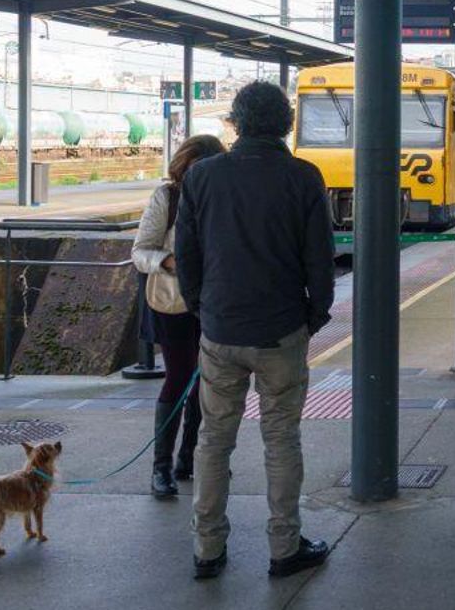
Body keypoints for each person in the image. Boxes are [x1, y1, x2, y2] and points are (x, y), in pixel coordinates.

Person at [174, 81, 335, 580]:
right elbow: (320, 260)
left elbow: (187, 255)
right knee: (281, 439)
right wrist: (314, 314)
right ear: (286, 122)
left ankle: (207, 549)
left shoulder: (201, 176)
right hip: (282, 331)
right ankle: (284, 547)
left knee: (213, 441)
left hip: (220, 331)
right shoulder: (304, 177)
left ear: (236, 121)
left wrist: (205, 308)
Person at [131, 133, 225, 499]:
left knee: (208, 381)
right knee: (180, 376)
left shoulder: (222, 198)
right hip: (172, 301)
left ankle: (189, 458)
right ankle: (161, 467)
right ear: (183, 169)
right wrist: (170, 262)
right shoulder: (166, 198)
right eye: (193, 171)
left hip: (214, 301)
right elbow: (141, 251)